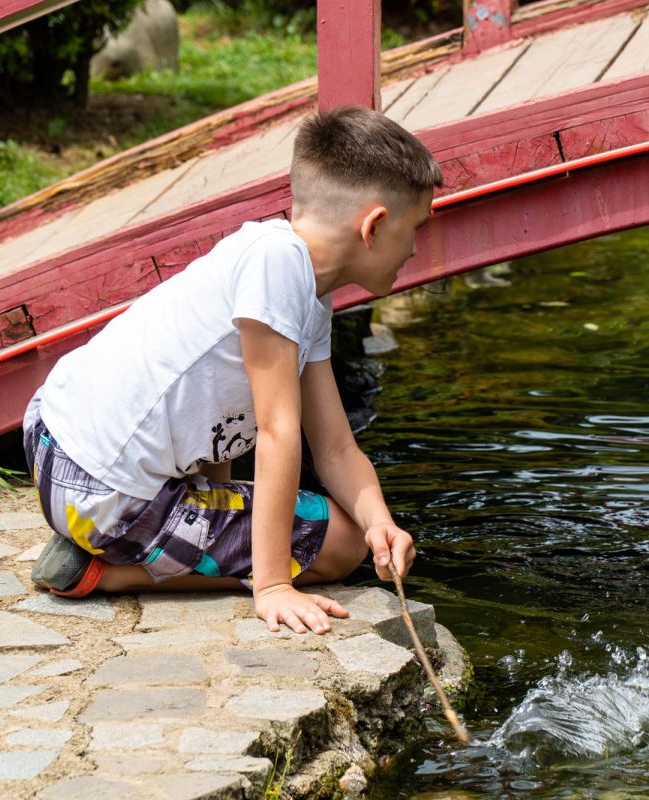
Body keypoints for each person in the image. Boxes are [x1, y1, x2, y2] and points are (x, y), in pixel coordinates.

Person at [22, 106, 440, 635]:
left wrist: (381, 521)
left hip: (54, 444)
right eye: (416, 228)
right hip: (101, 492)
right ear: (374, 225)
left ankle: (139, 543)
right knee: (341, 544)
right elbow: (279, 431)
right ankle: (110, 573)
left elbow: (335, 447)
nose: (416, 248)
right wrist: (272, 585)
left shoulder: (291, 272)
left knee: (356, 525)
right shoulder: (279, 265)